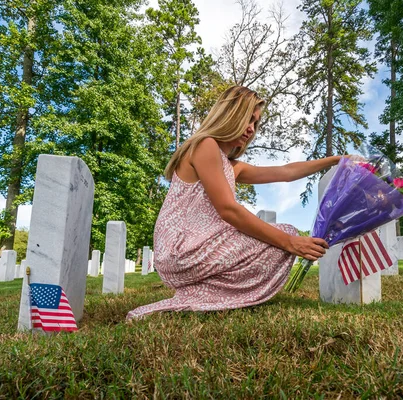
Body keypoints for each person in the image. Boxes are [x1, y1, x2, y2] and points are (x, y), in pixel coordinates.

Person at [127, 86, 345, 319]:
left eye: (255, 123)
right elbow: (228, 210)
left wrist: (336, 160)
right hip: (180, 250)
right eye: (247, 119)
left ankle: (196, 297)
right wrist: (291, 243)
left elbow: (286, 172)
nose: (251, 129)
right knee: (284, 236)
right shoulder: (205, 145)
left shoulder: (231, 166)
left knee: (283, 236)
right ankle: (190, 301)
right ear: (230, 114)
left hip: (197, 248)